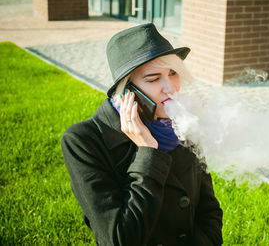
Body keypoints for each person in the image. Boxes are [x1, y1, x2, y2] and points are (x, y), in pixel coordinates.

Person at [61, 23, 223, 246]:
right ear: (127, 92)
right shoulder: (83, 141)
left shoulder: (185, 124)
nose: (171, 87)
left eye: (173, 73)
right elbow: (118, 239)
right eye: (153, 79)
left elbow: (209, 209)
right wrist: (148, 152)